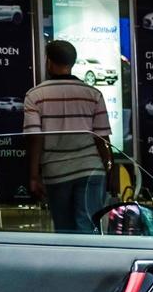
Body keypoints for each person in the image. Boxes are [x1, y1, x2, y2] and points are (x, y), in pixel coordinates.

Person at [23, 39, 112, 233]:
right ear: (72, 62)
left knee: (64, 230)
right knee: (88, 226)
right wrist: (108, 169)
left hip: (56, 171)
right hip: (91, 169)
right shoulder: (93, 93)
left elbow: (35, 138)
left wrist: (33, 176)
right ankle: (89, 263)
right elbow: (102, 138)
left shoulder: (35, 95)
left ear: (49, 61)